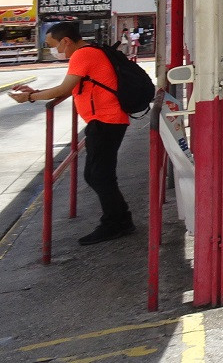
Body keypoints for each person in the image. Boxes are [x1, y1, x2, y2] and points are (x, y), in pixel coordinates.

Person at [7, 21, 134, 245]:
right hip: (105, 120)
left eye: (53, 45)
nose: (53, 50)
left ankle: (116, 223)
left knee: (100, 175)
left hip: (105, 120)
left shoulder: (82, 55)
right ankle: (119, 219)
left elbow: (63, 89)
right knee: (96, 174)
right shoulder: (90, 51)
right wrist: (37, 92)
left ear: (65, 41)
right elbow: (69, 86)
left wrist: (30, 97)